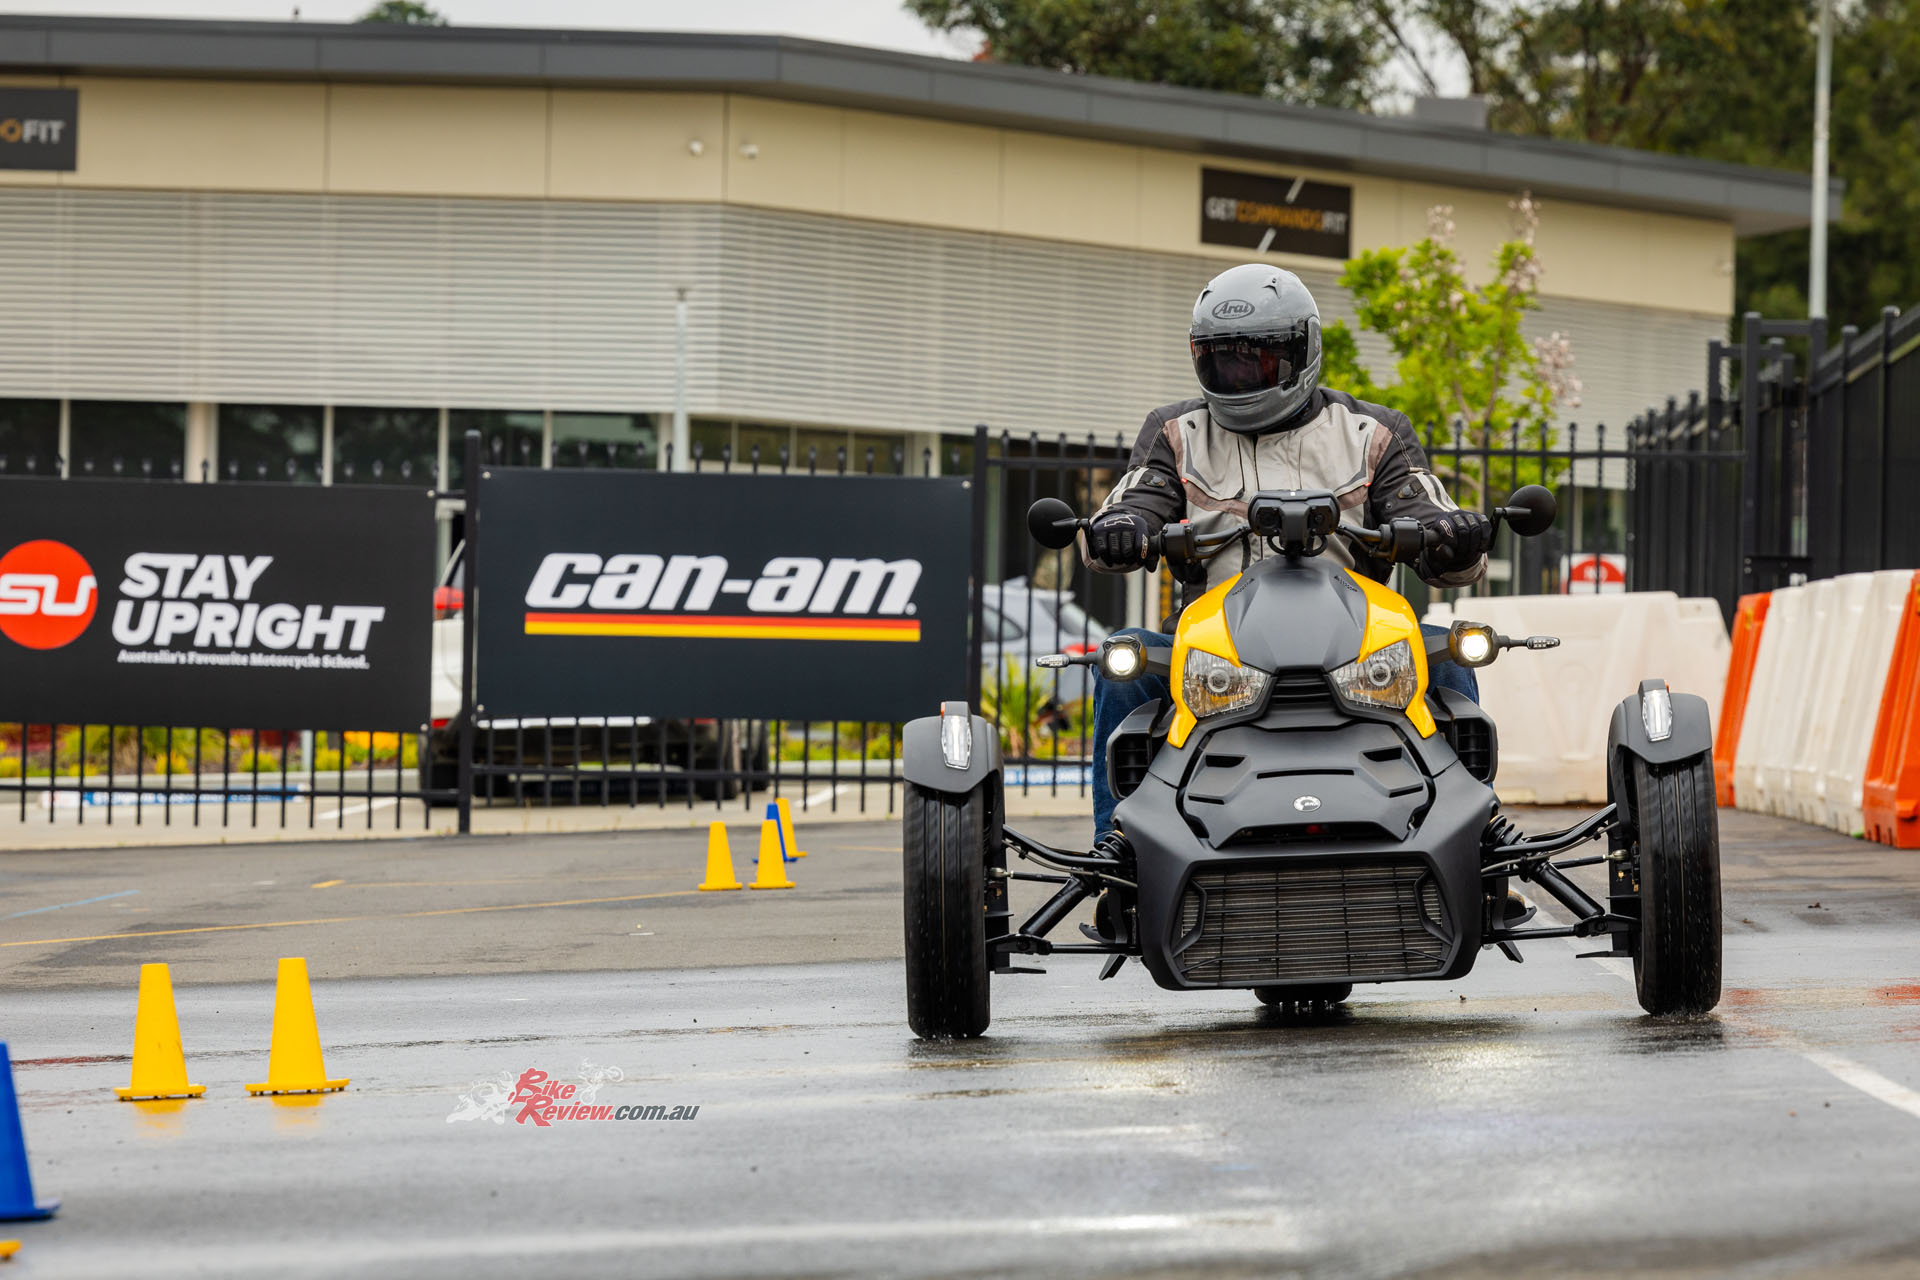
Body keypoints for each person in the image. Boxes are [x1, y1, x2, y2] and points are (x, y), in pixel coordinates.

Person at [1084, 263, 1492, 843]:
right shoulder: (1175, 432)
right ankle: (1116, 853)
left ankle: (1477, 837)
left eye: (1257, 358)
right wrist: (1120, 528)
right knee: (1123, 663)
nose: (1238, 373)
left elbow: (1425, 512)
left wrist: (1453, 534)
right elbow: (1134, 504)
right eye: (1222, 358)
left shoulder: (1374, 433)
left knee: (1448, 654)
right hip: (1213, 653)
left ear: (1303, 351)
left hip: (1361, 652)